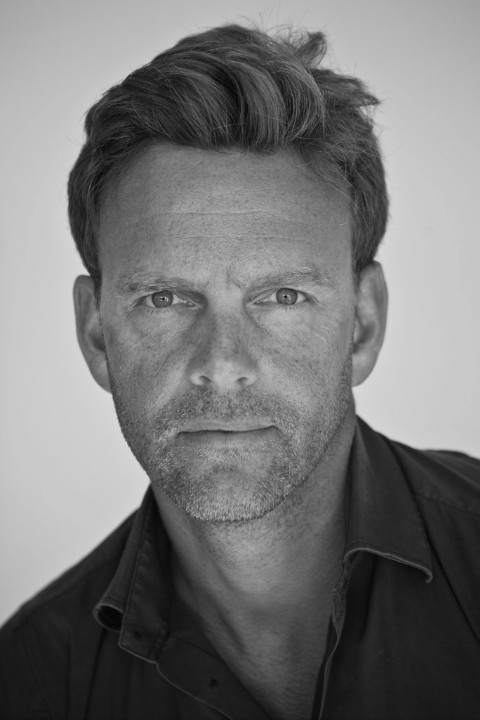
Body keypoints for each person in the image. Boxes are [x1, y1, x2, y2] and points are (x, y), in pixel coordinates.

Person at [1, 22, 479, 720]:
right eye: (164, 299)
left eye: (282, 296)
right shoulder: (32, 683)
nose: (222, 365)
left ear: (363, 323)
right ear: (97, 334)